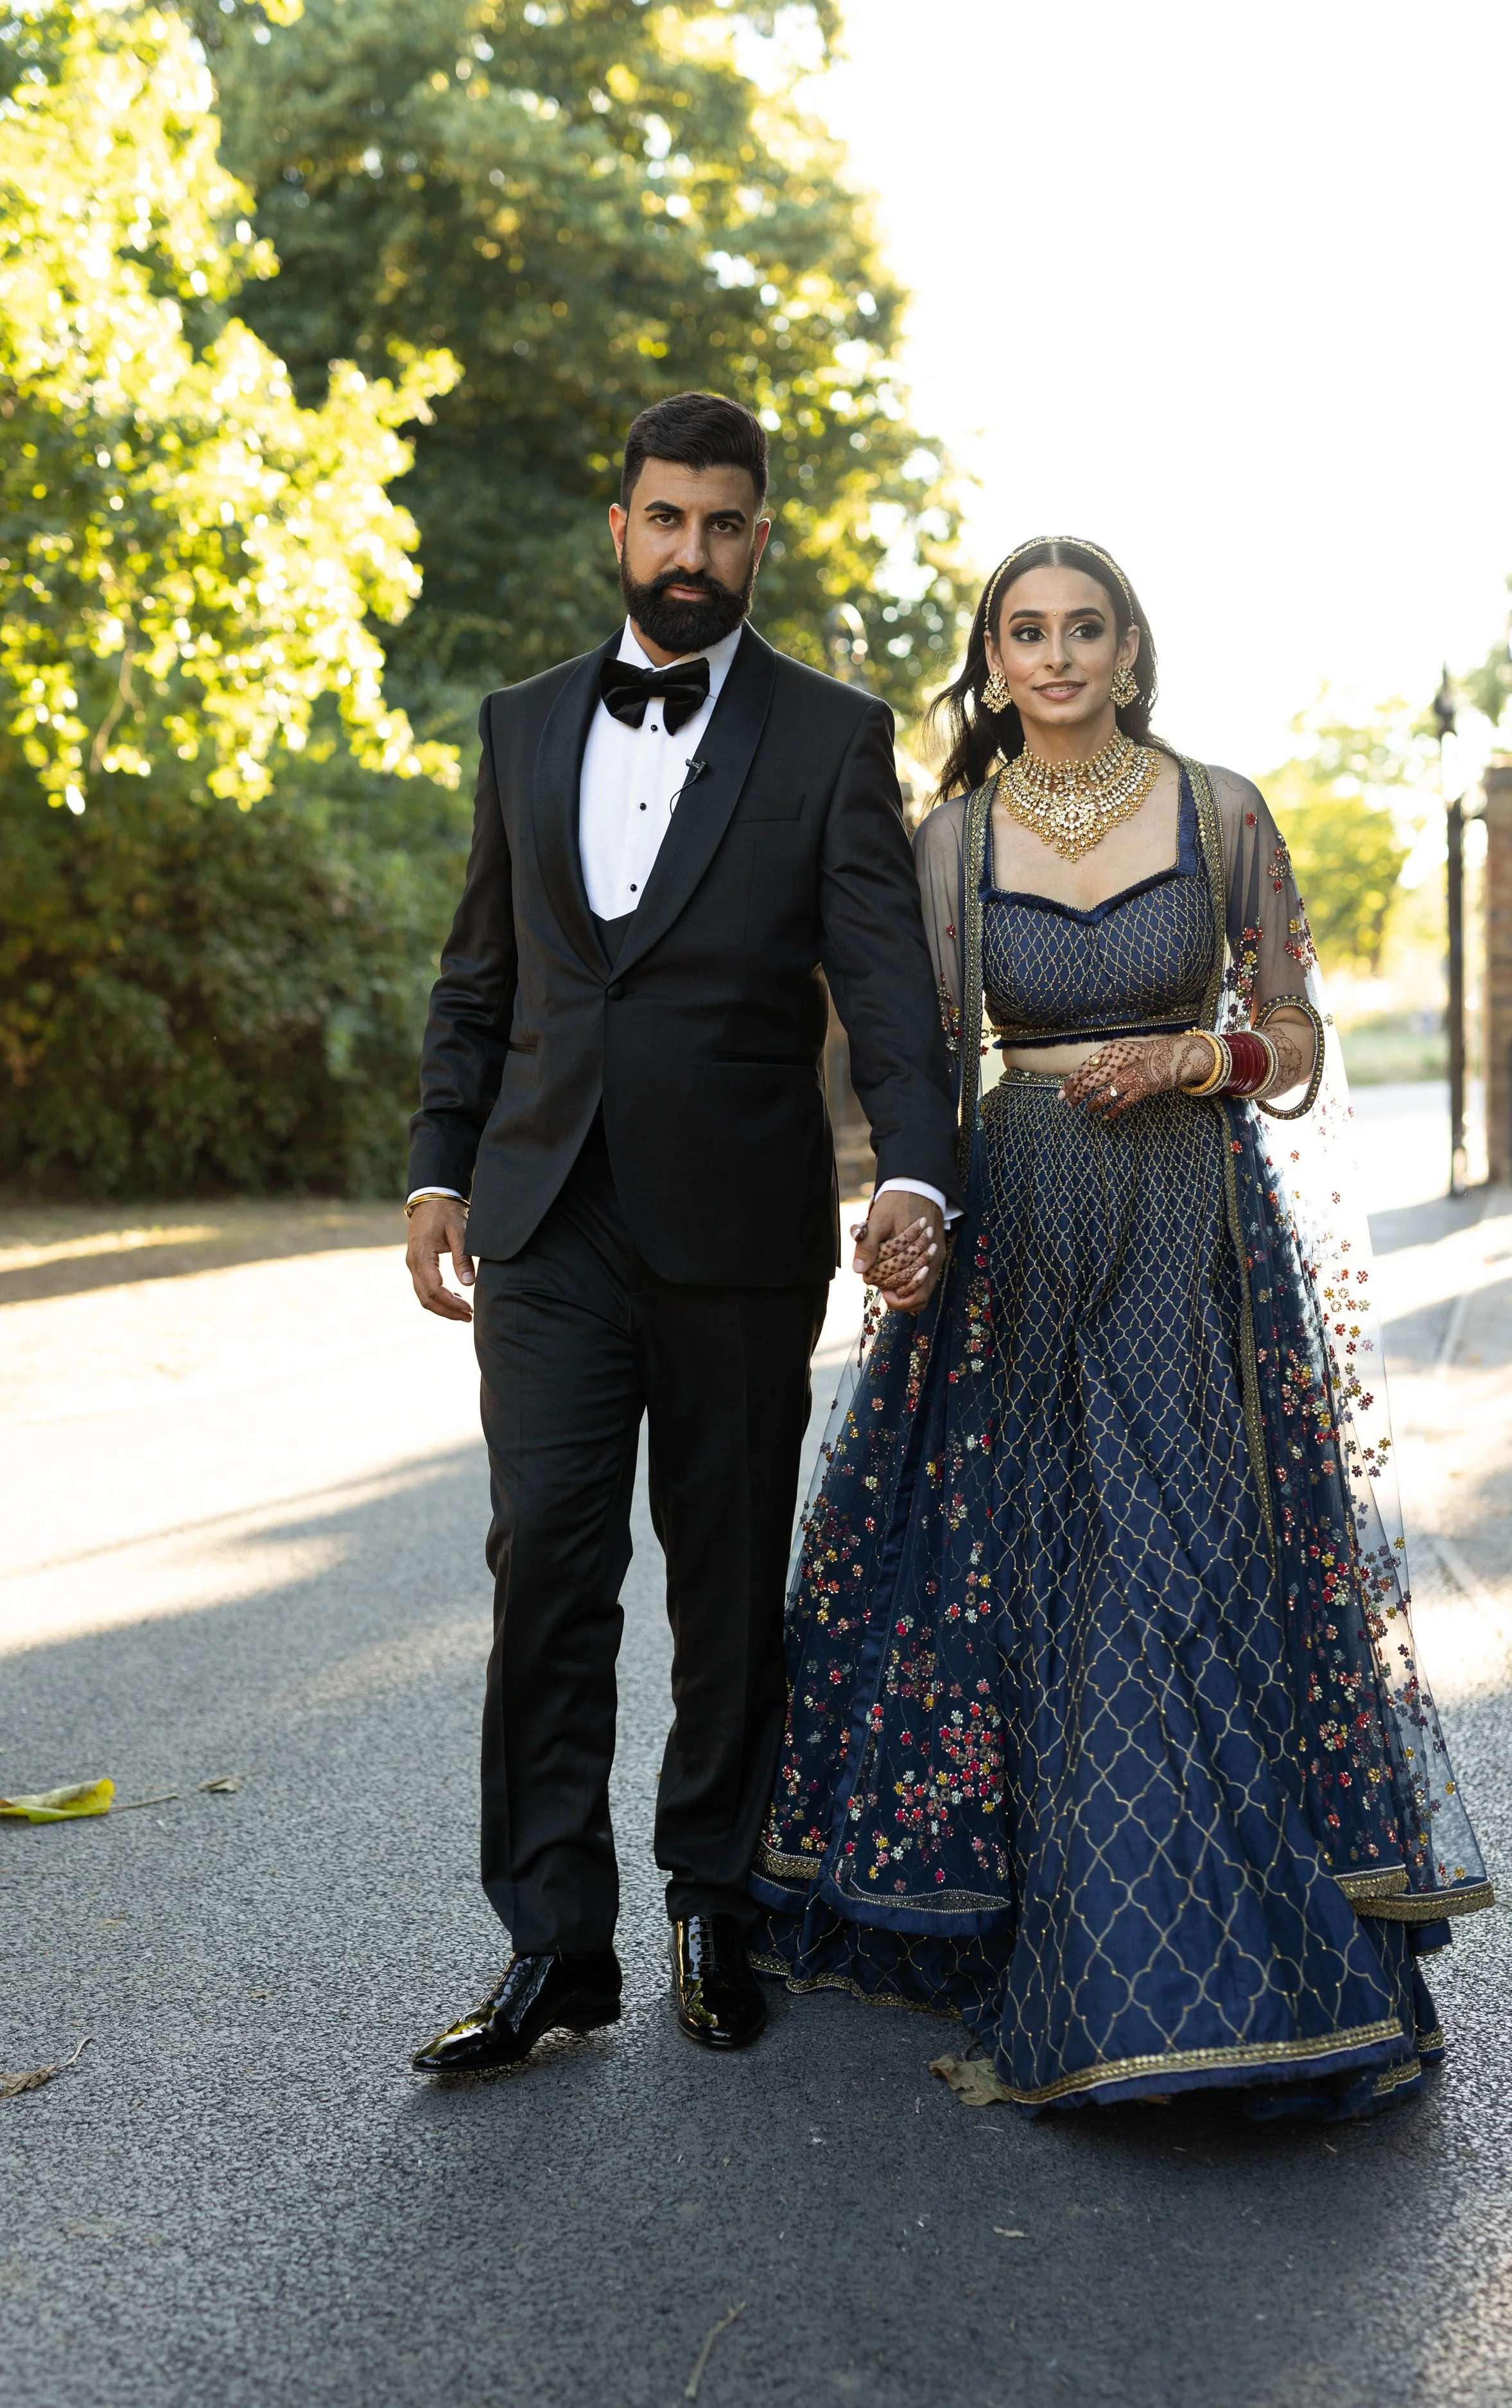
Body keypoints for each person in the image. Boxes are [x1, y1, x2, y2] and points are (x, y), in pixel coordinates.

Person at [751, 536, 1493, 2118]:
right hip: (1022, 1228)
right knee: (1063, 1571)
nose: (1059, 655)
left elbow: (1295, 1035)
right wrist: (907, 1211)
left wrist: (1193, 1060)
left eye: (1086, 628)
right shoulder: (946, 844)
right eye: (1027, 633)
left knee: (1194, 1559)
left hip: (1190, 1232)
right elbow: (918, 1066)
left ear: (1130, 649)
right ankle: (1101, 1959)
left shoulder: (1220, 809)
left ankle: (1224, 1960)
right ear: (995, 659)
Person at [404, 392, 955, 2073]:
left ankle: (714, 1900)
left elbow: (883, 985)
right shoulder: (517, 724)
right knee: (545, 1570)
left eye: (724, 525)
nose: (692, 552)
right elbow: (479, 975)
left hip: (738, 1224)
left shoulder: (828, 734)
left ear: (759, 536)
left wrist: (916, 1172)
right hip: (547, 1218)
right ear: (619, 525)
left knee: (722, 1581)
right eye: (666, 520)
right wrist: (438, 1167)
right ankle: (552, 1943)